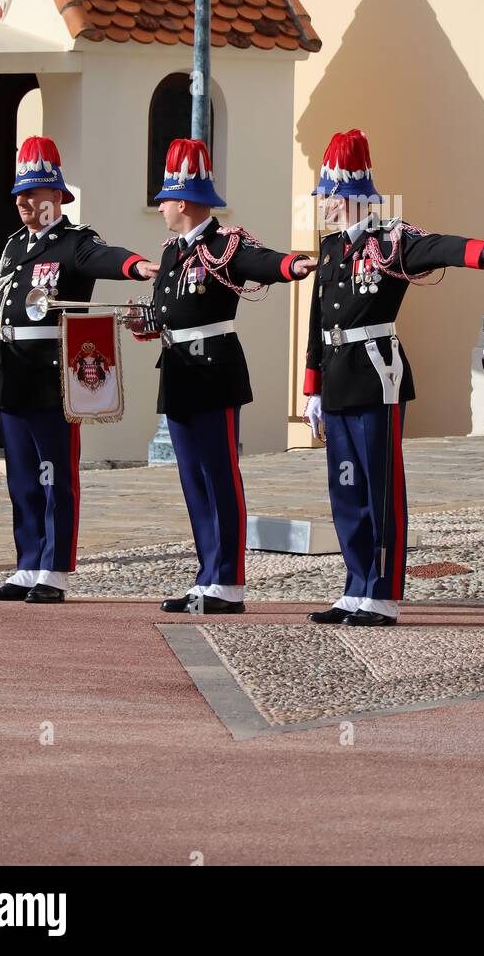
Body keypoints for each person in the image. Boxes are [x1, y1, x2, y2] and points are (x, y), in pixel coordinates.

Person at [303, 129, 484, 627]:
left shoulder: (389, 239)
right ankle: (355, 585)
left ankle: (383, 592)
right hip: (338, 376)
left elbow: (435, 247)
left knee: (379, 486)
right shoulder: (330, 252)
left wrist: (482, 252)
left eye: (325, 194)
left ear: (347, 196)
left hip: (375, 372)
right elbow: (316, 321)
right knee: (345, 487)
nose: (320, 203)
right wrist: (312, 388)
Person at [0, 136, 158, 604]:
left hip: (54, 374)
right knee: (19, 476)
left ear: (56, 197)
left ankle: (53, 570)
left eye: (33, 192)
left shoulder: (75, 243)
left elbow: (108, 257)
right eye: (20, 192)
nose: (23, 201)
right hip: (12, 371)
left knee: (54, 473)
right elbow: (10, 303)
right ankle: (27, 563)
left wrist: (137, 267)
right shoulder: (14, 246)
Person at [140, 138, 315, 615]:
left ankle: (229, 583)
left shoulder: (225, 244)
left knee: (220, 475)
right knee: (192, 479)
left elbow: (262, 262)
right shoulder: (173, 253)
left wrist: (292, 264)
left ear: (183, 202)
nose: (160, 207)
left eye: (165, 199)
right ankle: (207, 576)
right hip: (177, 372)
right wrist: (146, 322)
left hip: (214, 370)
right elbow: (166, 310)